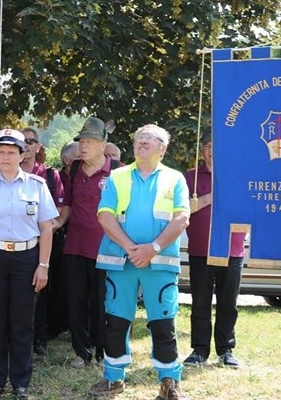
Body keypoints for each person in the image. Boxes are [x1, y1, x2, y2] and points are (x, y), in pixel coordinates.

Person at [89, 124, 190, 400]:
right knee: (116, 322)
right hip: (121, 261)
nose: (142, 142)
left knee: (163, 323)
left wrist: (153, 248)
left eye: (149, 138)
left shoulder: (175, 178)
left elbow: (182, 218)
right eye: (138, 138)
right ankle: (113, 378)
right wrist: (131, 248)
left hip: (160, 262)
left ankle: (169, 382)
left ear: (163, 148)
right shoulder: (117, 176)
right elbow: (105, 215)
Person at [0, 128, 57, 399]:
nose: (5, 157)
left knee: (22, 323)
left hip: (26, 259)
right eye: (1, 152)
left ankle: (20, 382)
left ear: (22, 155)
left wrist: (43, 266)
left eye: (11, 152)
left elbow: (47, 228)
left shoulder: (37, 186)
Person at [56, 117, 113, 368]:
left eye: (89, 141)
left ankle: (103, 352)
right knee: (76, 300)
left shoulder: (118, 170)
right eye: (81, 141)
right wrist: (55, 225)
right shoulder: (75, 169)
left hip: (106, 247)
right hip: (75, 246)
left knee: (102, 301)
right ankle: (81, 352)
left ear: (103, 144)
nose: (83, 146)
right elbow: (67, 205)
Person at [183, 136, 245, 369]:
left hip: (232, 249)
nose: (211, 151)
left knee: (228, 302)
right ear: (202, 151)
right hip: (201, 249)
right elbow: (185, 208)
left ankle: (226, 349)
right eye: (207, 146)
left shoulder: (238, 175)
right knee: (200, 302)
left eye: (216, 146)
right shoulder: (191, 176)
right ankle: (199, 350)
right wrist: (213, 197)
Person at [19, 127, 66, 354]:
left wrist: (51, 227)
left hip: (45, 242)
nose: (27, 144)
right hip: (16, 244)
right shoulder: (7, 171)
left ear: (38, 146)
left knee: (41, 290)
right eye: (23, 140)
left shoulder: (49, 174)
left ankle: (39, 339)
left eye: (31, 141)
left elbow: (62, 208)